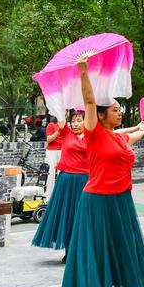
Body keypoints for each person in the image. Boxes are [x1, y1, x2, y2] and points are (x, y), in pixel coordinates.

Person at [59, 54, 144, 287]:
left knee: (112, 251)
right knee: (93, 251)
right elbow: (89, 101)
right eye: (114, 109)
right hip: (97, 200)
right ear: (101, 115)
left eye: (119, 109)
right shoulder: (94, 132)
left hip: (120, 200)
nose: (119, 111)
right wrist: (83, 71)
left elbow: (131, 137)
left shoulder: (117, 136)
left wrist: (143, 129)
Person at [32, 110, 88, 263]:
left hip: (85, 181)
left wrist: (138, 129)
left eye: (79, 120)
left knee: (83, 218)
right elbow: (61, 117)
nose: (75, 123)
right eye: (74, 120)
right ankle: (69, 252)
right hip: (66, 182)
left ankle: (84, 252)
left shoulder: (93, 136)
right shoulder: (67, 133)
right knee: (68, 217)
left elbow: (116, 134)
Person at [44, 116, 63, 197]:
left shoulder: (66, 126)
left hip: (63, 150)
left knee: (62, 173)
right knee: (50, 173)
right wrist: (58, 131)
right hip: (52, 151)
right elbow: (49, 139)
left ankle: (60, 195)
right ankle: (47, 196)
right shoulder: (51, 125)